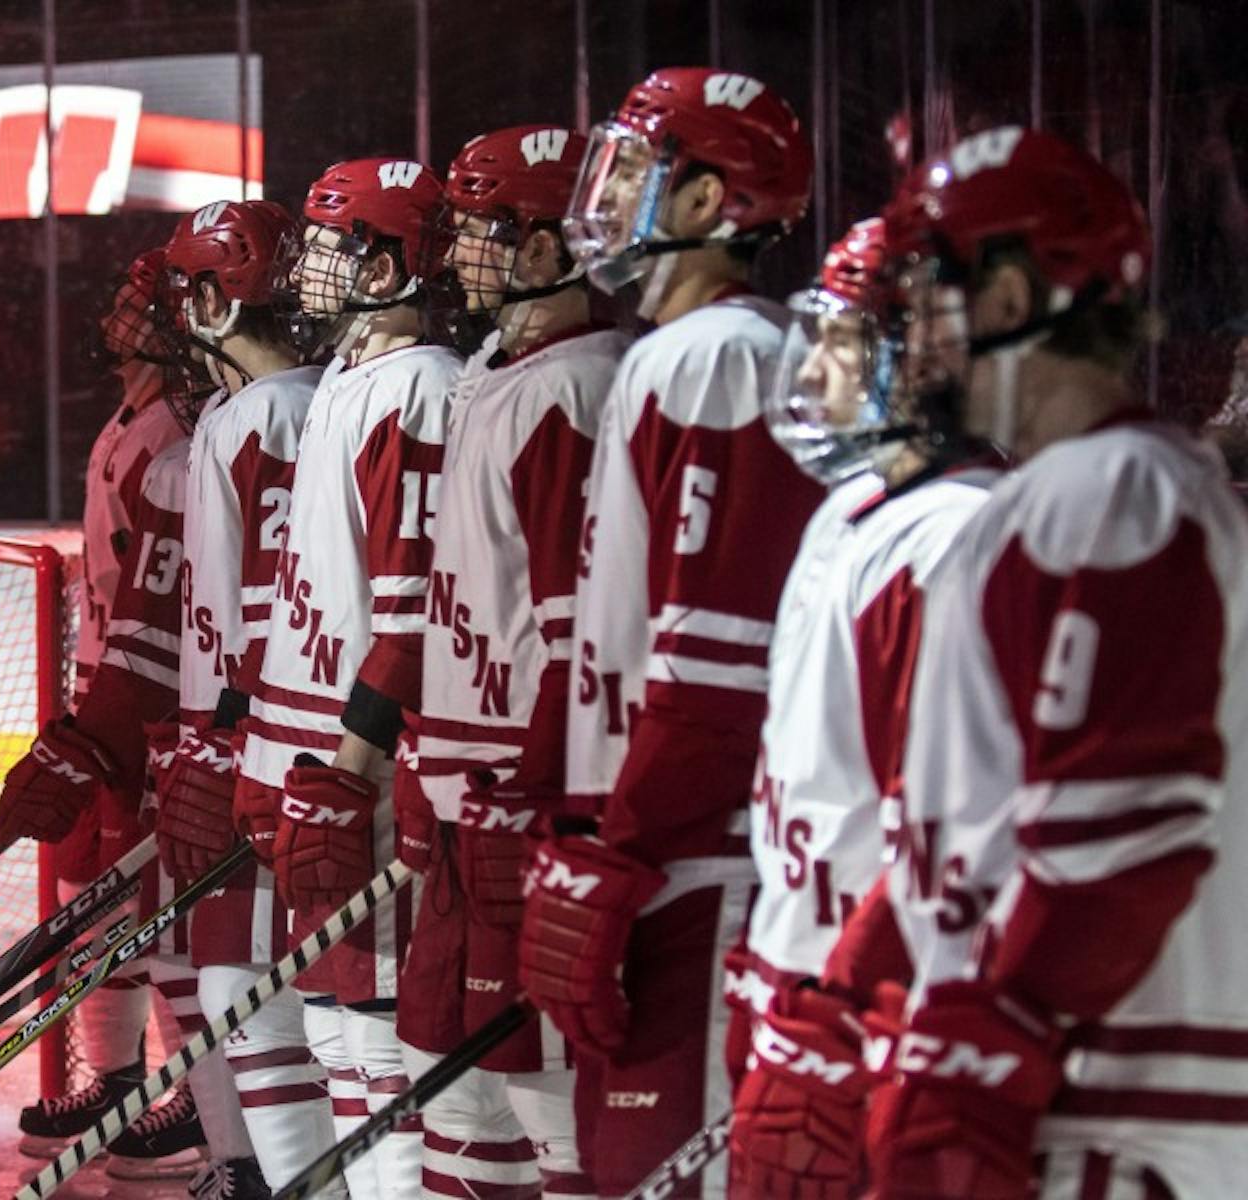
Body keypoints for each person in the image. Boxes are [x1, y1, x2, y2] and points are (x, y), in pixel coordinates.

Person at [864, 127, 1248, 1200]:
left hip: (1111, 1109)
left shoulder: (1110, 491)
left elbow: (1120, 833)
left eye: (930, 291)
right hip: (1069, 1089)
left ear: (1005, 298)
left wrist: (985, 1049)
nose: (910, 331)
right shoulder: (1051, 495)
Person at [513, 67, 820, 1196]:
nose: (603, 198)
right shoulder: (678, 356)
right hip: (668, 850)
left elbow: (718, 659)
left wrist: (621, 847)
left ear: (703, 202)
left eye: (635, 171)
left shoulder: (721, 357)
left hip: (703, 863)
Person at [722, 218, 1000, 1197]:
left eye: (846, 342)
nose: (816, 372)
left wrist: (842, 1003)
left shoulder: (956, 538)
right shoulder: (853, 507)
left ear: (924, 358)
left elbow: (944, 827)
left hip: (868, 1008)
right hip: (796, 973)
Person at [391, 123, 631, 1200]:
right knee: (450, 1080)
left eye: (487, 227)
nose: (461, 250)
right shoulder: (502, 373)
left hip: (512, 804)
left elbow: (580, 630)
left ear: (547, 249)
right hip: (467, 794)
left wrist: (533, 795)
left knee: (538, 1091)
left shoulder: (569, 389)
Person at [247, 156, 461, 1199]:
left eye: (335, 244)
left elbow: (408, 605)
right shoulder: (348, 374)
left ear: (386, 263)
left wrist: (348, 767)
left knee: (373, 1031)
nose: (312, 267)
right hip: (311, 758)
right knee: (333, 1025)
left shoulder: (419, 387)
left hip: (358, 766)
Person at [149, 197, 324, 1198]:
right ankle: (253, 1171)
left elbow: (269, 602)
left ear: (222, 297)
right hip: (243, 740)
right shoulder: (249, 411)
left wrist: (222, 738)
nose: (180, 313)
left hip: (268, 749)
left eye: (189, 290)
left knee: (244, 984)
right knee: (241, 982)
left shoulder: (274, 414)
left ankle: (268, 1178)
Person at [11, 250, 197, 1163]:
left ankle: (195, 1094)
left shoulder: (172, 431)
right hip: (106, 691)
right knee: (89, 896)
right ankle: (117, 1082)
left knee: (154, 907)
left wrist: (119, 718)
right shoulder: (130, 419)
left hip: (143, 698)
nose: (117, 314)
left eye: (137, 303)